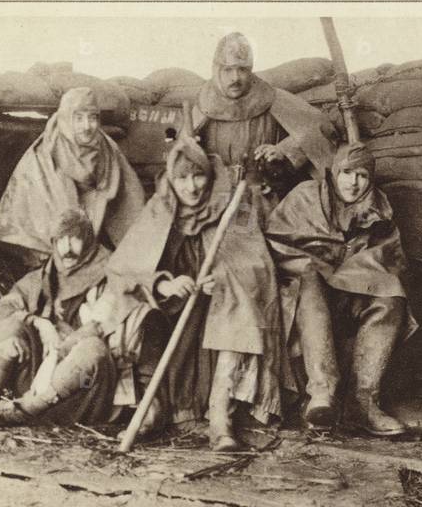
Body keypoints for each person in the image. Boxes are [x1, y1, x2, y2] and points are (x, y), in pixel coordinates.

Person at [104, 128, 292, 451]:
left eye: (198, 177)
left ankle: (220, 414)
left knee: (238, 303)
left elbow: (254, 266)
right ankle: (152, 407)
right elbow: (126, 269)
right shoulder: (161, 207)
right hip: (172, 307)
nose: (191, 187)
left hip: (216, 306)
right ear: (171, 181)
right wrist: (165, 283)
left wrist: (219, 280)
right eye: (182, 180)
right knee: (134, 313)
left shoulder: (230, 205)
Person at [266, 142, 416, 436]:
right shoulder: (305, 196)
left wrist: (351, 272)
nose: (353, 182)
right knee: (309, 279)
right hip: (298, 291)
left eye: (361, 175)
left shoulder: (379, 209)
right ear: (334, 172)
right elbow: (275, 242)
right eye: (346, 173)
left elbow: (390, 259)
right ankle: (322, 393)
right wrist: (316, 263)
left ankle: (363, 401)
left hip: (348, 292)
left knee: (391, 295)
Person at [0, 210, 118, 428]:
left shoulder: (109, 273)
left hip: (78, 388)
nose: (67, 248)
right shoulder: (45, 275)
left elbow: (100, 326)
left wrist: (58, 353)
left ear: (89, 241)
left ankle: (20, 412)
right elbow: (7, 306)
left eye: (75, 239)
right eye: (60, 240)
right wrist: (38, 324)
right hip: (36, 379)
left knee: (93, 349)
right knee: (11, 325)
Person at [0, 87, 146, 265]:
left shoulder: (107, 149)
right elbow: (39, 211)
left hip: (97, 244)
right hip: (50, 249)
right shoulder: (44, 154)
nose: (86, 126)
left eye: (92, 117)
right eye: (78, 118)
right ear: (65, 118)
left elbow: (131, 200)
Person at [192, 32, 337, 199]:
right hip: (215, 195)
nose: (235, 78)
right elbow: (182, 155)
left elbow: (320, 128)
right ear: (217, 70)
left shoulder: (271, 97)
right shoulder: (204, 103)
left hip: (265, 194)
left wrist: (284, 150)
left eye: (242, 69)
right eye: (228, 70)